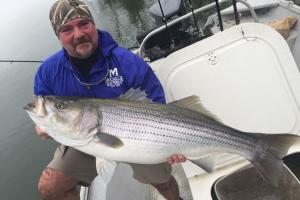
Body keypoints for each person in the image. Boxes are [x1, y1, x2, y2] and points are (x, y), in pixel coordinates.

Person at [34, 0, 187, 199]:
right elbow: (45, 108)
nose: (78, 34)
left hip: (142, 137)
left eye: (84, 24)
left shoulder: (128, 62)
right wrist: (43, 126)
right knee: (50, 187)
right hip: (82, 139)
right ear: (58, 36)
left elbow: (157, 106)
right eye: (67, 29)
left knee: (164, 183)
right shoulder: (48, 72)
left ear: (94, 25)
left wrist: (170, 143)